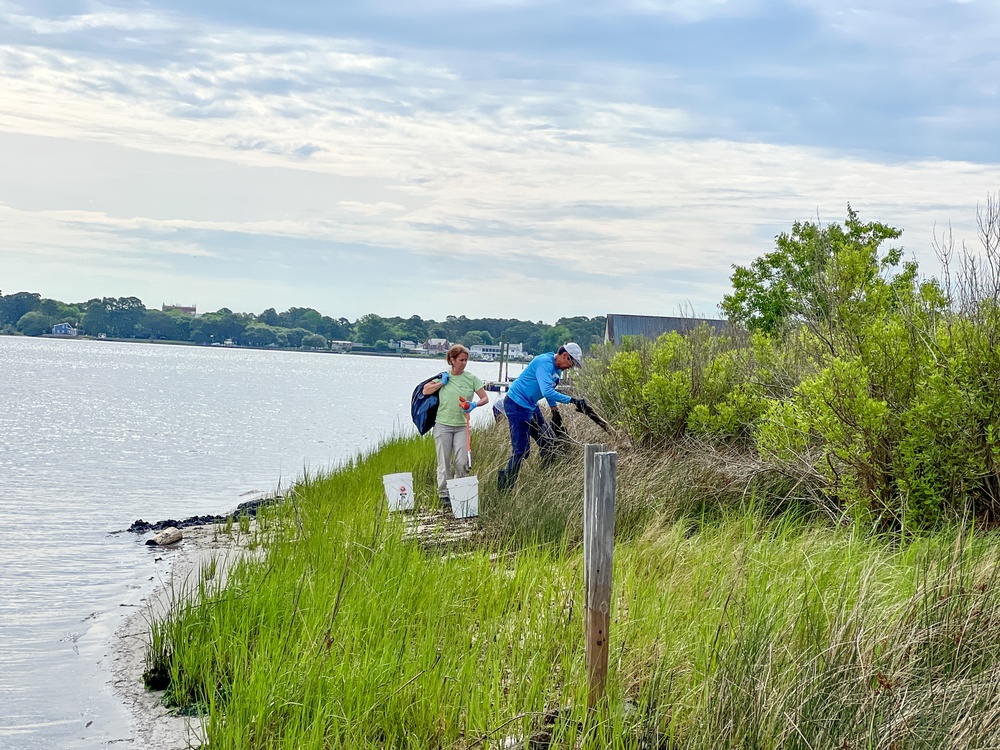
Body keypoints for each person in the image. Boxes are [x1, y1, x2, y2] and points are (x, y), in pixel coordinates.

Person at [497, 342, 586, 492]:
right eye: (571, 363)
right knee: (521, 451)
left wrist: (554, 410)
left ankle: (542, 482)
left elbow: (549, 389)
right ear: (565, 355)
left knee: (549, 443)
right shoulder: (544, 363)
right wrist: (572, 400)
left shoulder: (556, 370)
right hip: (516, 405)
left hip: (530, 405)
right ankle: (505, 487)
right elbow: (547, 392)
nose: (571, 367)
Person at [422, 344, 488, 509]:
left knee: (461, 462)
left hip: (461, 426)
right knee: (444, 461)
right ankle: (444, 494)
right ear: (452, 360)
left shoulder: (471, 378)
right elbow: (425, 390)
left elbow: (484, 398)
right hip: (442, 425)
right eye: (461, 360)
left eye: (466, 360)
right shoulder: (443, 376)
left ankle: (458, 491)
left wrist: (474, 404)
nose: (464, 363)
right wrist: (441, 384)